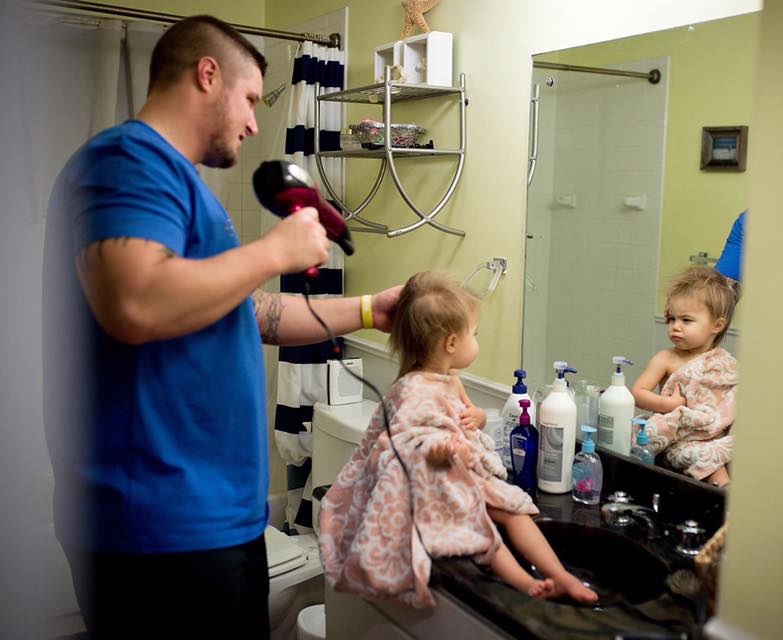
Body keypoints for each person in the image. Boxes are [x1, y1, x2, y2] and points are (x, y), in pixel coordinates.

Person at [41, 16, 400, 638]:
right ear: (208, 75)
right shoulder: (128, 160)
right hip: (158, 529)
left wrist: (371, 309)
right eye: (252, 99)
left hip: (205, 524)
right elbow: (136, 303)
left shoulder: (181, 185)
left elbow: (249, 312)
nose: (256, 123)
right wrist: (276, 251)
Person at [318, 272, 598, 607]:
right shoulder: (410, 388)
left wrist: (477, 417)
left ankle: (559, 574)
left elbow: (470, 414)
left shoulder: (451, 379)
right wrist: (437, 447)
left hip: (462, 470)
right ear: (451, 343)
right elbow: (405, 438)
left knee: (515, 511)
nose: (476, 341)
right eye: (474, 334)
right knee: (480, 528)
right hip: (433, 480)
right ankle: (525, 582)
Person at [630, 267, 738, 486]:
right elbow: (637, 393)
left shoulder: (723, 363)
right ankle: (723, 494)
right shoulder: (666, 358)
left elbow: (733, 398)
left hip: (713, 434)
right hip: (678, 438)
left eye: (686, 320)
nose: (675, 327)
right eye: (671, 319)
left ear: (717, 325)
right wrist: (668, 403)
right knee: (708, 460)